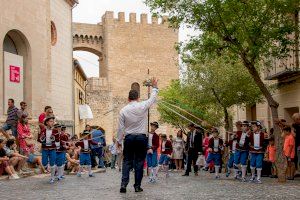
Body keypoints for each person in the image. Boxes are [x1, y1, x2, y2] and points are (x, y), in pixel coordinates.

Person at [117, 78, 158, 193]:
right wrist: (155, 87)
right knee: (139, 162)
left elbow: (120, 128)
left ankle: (124, 185)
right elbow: (152, 99)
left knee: (127, 161)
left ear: (128, 98)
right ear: (138, 98)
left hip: (129, 138)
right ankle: (137, 186)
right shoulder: (143, 105)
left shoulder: (123, 110)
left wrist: (118, 141)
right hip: (141, 137)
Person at [37, 115, 57, 184]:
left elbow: (57, 140)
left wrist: (53, 138)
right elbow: (39, 140)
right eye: (51, 121)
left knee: (52, 163)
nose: (52, 122)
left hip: (52, 149)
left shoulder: (55, 131)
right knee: (44, 163)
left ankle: (52, 177)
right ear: (47, 122)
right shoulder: (42, 130)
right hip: (45, 148)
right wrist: (42, 138)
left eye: (53, 121)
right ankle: (46, 167)